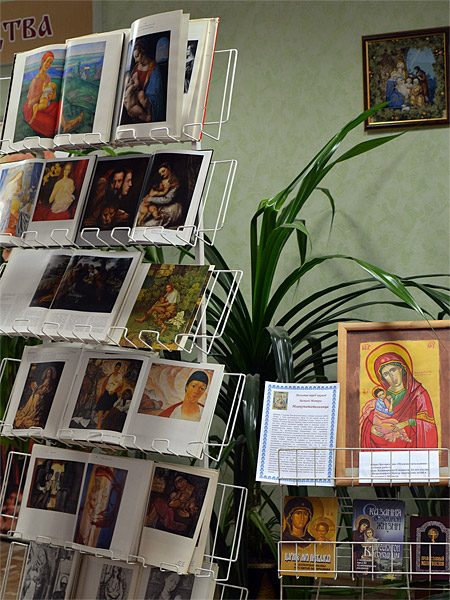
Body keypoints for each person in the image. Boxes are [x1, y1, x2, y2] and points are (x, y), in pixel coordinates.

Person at [360, 349, 438, 449]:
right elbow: (369, 421)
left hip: (411, 447)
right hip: (382, 447)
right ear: (382, 378)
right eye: (386, 374)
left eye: (393, 370)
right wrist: (371, 429)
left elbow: (428, 424)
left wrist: (406, 423)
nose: (391, 376)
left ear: (401, 369)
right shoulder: (381, 397)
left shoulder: (418, 394)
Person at [23, 51, 83, 137]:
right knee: (51, 123)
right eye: (47, 61)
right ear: (43, 61)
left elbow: (49, 94)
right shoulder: (35, 80)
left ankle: (66, 125)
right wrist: (42, 93)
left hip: (44, 104)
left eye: (50, 62)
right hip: (33, 110)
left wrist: (51, 95)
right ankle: (66, 125)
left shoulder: (47, 77)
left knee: (59, 105)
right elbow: (30, 103)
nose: (48, 64)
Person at [137, 163, 181, 228]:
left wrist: (150, 199)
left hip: (171, 208)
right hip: (159, 206)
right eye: (160, 173)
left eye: (163, 171)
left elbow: (167, 199)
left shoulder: (175, 183)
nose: (162, 174)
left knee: (149, 224)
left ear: (169, 169)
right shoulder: (161, 182)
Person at [145, 37, 169, 123]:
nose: (161, 51)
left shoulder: (157, 69)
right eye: (160, 49)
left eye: (163, 49)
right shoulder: (155, 69)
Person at [95, 362, 124, 428]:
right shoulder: (111, 375)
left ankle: (103, 424)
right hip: (106, 392)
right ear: (114, 367)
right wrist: (104, 391)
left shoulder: (119, 376)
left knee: (109, 408)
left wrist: (114, 390)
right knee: (101, 406)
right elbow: (105, 383)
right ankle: (98, 424)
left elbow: (120, 385)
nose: (117, 369)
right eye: (116, 367)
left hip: (113, 393)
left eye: (118, 368)